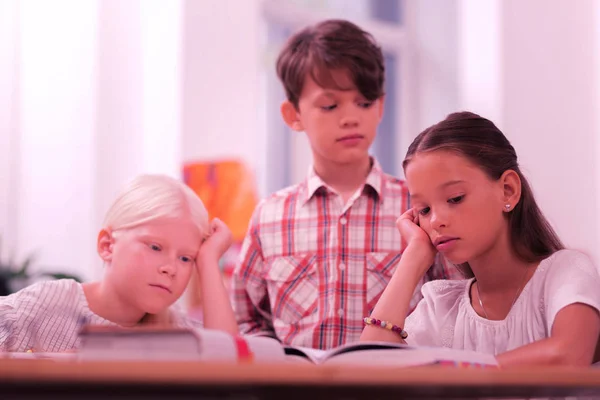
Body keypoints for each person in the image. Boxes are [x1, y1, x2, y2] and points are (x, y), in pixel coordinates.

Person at [231, 19, 461, 350]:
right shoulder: (270, 216)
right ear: (293, 114)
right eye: (330, 105)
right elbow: (246, 319)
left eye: (364, 102)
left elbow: (454, 306)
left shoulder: (418, 209)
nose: (351, 117)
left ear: (380, 106)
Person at [361, 111, 600, 367]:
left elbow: (569, 354)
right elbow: (366, 374)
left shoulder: (564, 272)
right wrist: (413, 259)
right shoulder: (443, 308)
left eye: (455, 199)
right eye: (424, 210)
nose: (435, 221)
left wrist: (455, 376)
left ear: (508, 190)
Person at [0, 174, 238, 352]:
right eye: (155, 247)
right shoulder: (48, 305)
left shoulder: (177, 331)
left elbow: (230, 366)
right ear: (107, 245)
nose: (171, 268)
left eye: (186, 258)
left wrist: (208, 261)